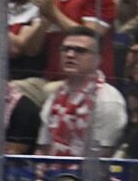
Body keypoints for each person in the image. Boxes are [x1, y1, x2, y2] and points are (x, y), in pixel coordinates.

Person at [38, 27, 127, 159]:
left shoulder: (107, 99)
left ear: (98, 59)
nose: (70, 55)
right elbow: (43, 148)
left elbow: (102, 155)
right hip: (51, 169)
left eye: (80, 50)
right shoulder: (55, 95)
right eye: (65, 49)